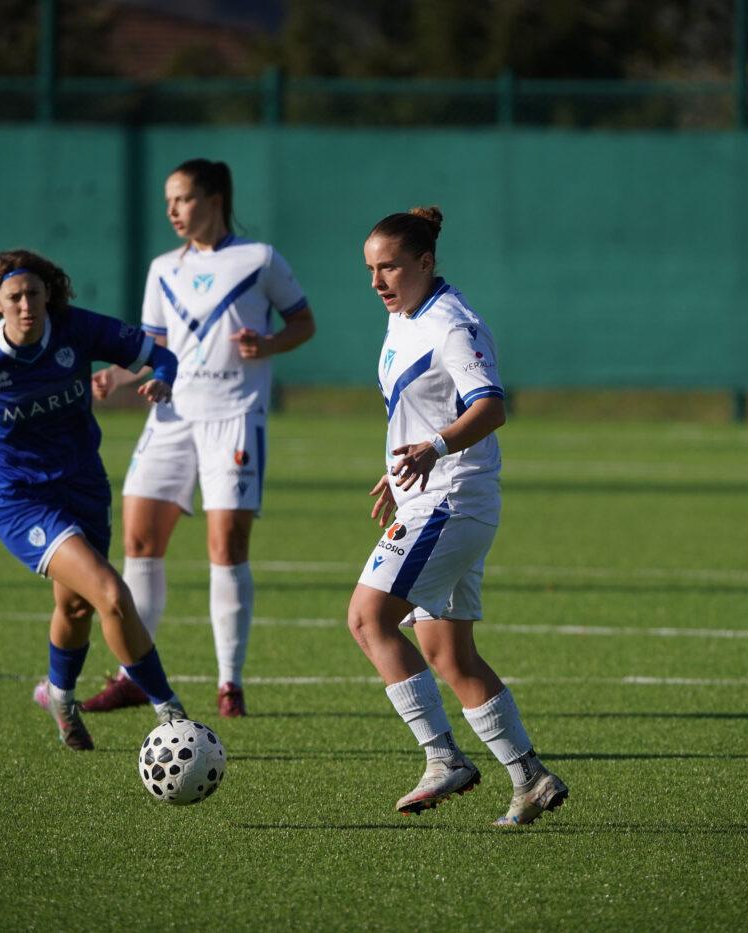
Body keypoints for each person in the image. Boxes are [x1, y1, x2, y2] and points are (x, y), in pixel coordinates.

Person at [0, 248, 187, 752]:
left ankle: (59, 697)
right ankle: (171, 713)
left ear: (48, 294)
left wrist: (162, 379)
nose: (26, 306)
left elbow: (162, 355)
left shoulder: (76, 328)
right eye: (14, 297)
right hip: (18, 498)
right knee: (110, 593)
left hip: (84, 484)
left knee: (76, 606)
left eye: (34, 294)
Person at [347, 206, 569, 826]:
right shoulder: (403, 315)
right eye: (370, 269)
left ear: (425, 263)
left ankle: (443, 757)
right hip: (433, 496)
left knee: (367, 619)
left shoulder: (453, 324)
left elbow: (491, 407)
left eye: (389, 267)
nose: (377, 282)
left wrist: (434, 449)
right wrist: (401, 467)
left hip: (452, 500)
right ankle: (530, 778)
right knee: (448, 652)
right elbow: (422, 408)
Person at [83, 158, 316, 719]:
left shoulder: (259, 259)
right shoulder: (164, 267)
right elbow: (155, 347)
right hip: (171, 416)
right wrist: (118, 376)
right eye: (168, 201)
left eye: (183, 199)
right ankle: (132, 675)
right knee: (138, 541)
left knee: (226, 547)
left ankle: (229, 682)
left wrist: (269, 345)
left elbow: (303, 323)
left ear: (214, 199)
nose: (173, 210)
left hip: (234, 416)